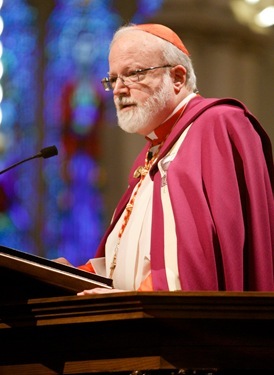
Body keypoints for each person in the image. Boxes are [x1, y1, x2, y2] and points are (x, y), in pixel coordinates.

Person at [57, 23, 274, 293]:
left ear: (178, 78)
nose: (119, 90)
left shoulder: (217, 124)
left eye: (133, 74)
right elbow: (133, 258)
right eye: (113, 79)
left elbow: (208, 260)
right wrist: (69, 276)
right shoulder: (153, 154)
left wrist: (128, 298)